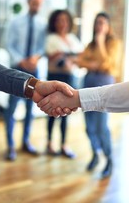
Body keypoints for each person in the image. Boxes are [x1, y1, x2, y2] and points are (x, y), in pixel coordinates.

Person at [40, 12, 122, 178]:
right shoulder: (89, 44)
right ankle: (94, 155)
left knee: (101, 127)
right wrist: (92, 63)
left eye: (102, 23)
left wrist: (100, 43)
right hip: (88, 86)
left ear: (108, 26)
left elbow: (107, 64)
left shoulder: (114, 43)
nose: (99, 26)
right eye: (97, 23)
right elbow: (81, 61)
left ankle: (108, 159)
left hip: (105, 87)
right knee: (89, 126)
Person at [4, 0, 47, 160]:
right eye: (34, 3)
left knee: (30, 109)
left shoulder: (42, 25)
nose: (36, 6)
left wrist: (35, 58)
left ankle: (26, 141)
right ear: (28, 2)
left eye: (39, 3)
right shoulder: (15, 22)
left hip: (34, 70)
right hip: (16, 70)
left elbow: (42, 47)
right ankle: (10, 145)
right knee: (12, 108)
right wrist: (21, 61)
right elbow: (9, 44)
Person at [45, 9, 83, 158]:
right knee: (51, 111)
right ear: (54, 22)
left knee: (67, 111)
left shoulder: (73, 38)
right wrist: (70, 56)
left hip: (70, 79)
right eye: (59, 20)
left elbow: (81, 56)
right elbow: (52, 56)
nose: (63, 23)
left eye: (65, 20)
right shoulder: (51, 38)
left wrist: (64, 55)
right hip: (54, 78)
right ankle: (49, 143)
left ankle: (63, 144)